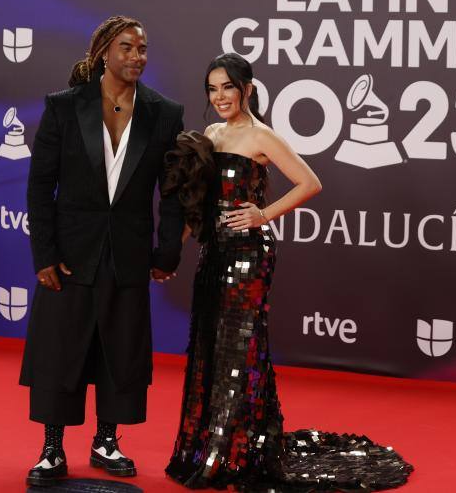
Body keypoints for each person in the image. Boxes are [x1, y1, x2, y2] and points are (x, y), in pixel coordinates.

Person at [163, 53, 413, 491]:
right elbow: (196, 203)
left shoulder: (262, 136)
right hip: (214, 253)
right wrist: (170, 255)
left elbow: (310, 182)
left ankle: (233, 454)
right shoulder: (211, 133)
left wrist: (262, 215)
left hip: (249, 257)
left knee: (240, 353)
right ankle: (209, 448)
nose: (220, 96)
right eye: (213, 89)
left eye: (228, 87)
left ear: (248, 89)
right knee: (210, 347)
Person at [19, 15, 185, 487]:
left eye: (143, 49)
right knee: (61, 349)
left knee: (120, 347)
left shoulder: (164, 112)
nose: (138, 57)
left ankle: (106, 440)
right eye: (128, 48)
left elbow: (171, 193)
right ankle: (52, 449)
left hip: (128, 252)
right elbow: (40, 186)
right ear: (104, 52)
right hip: (71, 251)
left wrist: (166, 251)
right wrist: (44, 254)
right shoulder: (65, 107)